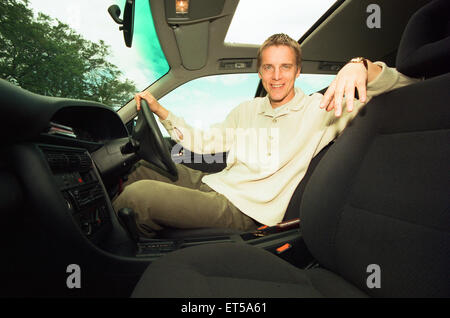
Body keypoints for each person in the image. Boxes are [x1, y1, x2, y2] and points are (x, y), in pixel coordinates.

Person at [112, 33, 419, 237]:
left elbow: (409, 87)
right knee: (139, 170)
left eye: (285, 67)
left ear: (298, 71)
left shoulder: (323, 108)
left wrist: (361, 67)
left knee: (140, 198)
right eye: (269, 68)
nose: (276, 76)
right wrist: (163, 114)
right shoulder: (247, 109)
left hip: (244, 209)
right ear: (260, 72)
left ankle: (121, 262)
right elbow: (203, 143)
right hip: (216, 185)